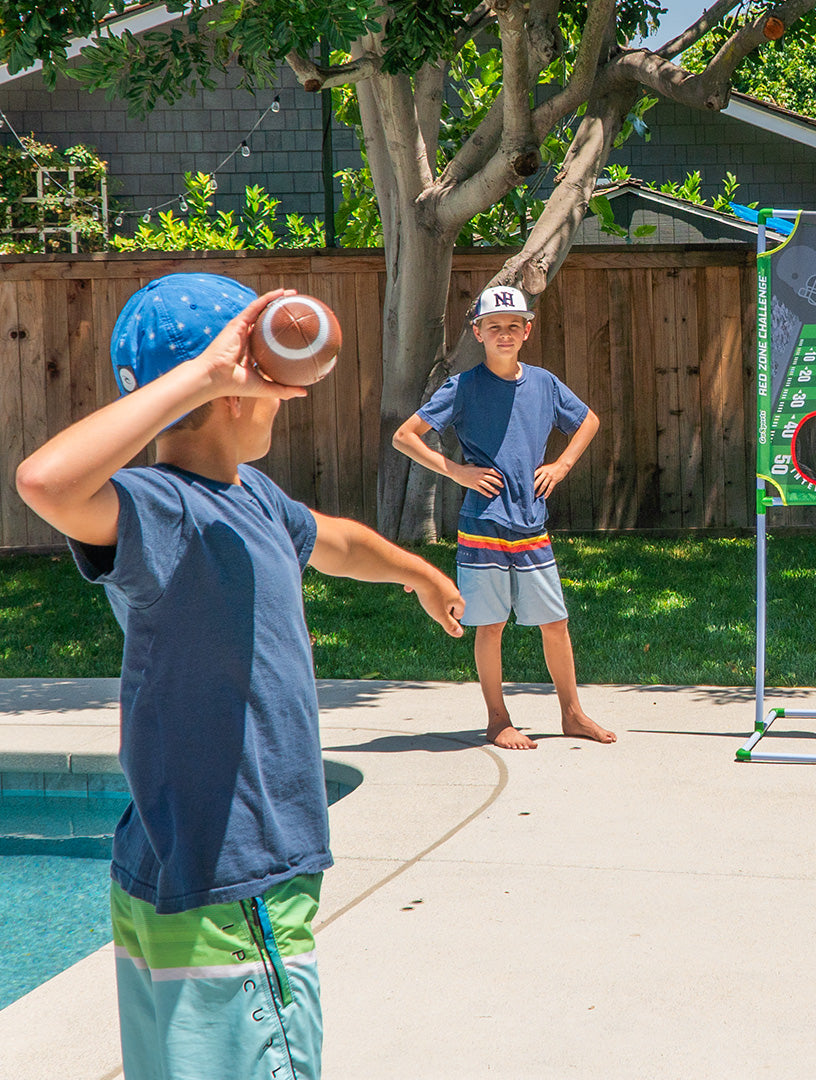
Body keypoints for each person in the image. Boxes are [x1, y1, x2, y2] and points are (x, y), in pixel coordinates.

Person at [15, 272, 464, 1080]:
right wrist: (211, 370)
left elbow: (333, 539)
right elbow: (45, 483)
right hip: (235, 867)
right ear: (234, 385)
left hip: (177, 859)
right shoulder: (158, 508)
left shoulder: (250, 496)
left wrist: (416, 574)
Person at [393, 285, 615, 751]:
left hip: (531, 522)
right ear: (478, 332)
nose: (505, 333)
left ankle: (573, 714)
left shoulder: (545, 384)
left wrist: (561, 466)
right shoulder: (464, 387)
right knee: (490, 624)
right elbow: (405, 436)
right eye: (494, 326)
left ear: (527, 331)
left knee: (554, 621)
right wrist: (457, 471)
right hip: (482, 523)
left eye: (514, 325)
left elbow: (589, 420)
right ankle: (498, 720)